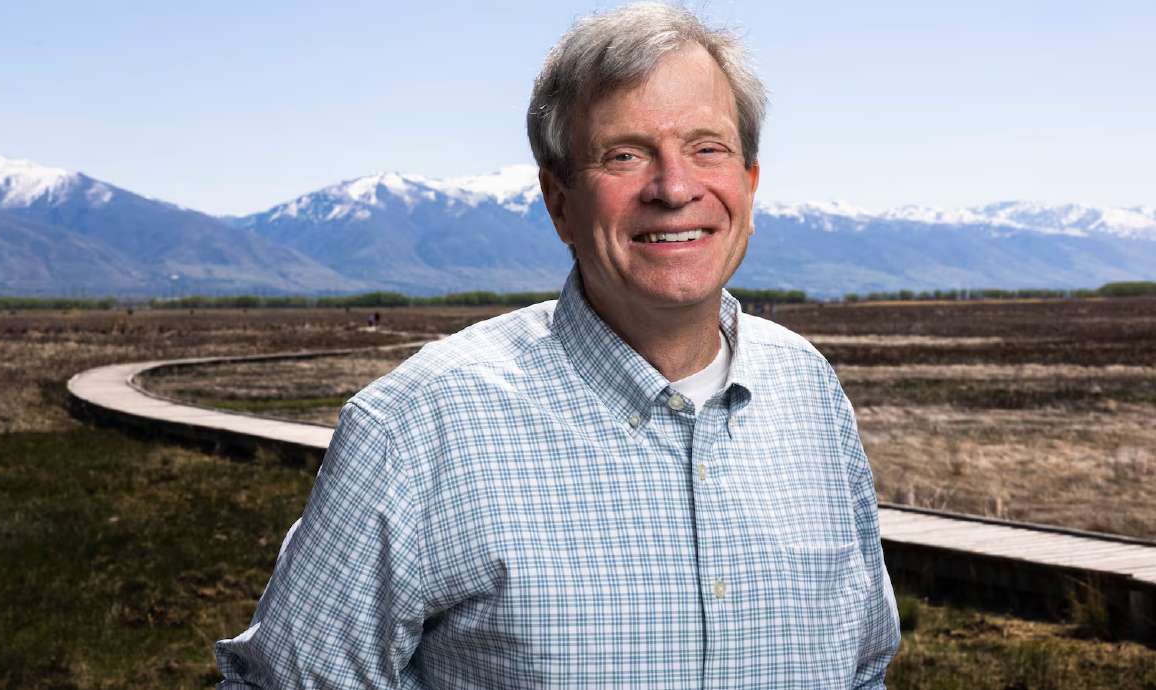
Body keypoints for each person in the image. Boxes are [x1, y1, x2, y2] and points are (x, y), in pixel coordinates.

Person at [215, 3, 900, 688]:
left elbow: (865, 668)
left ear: (748, 182)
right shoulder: (416, 428)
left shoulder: (810, 392)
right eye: (624, 155)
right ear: (559, 202)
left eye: (707, 148)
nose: (674, 188)